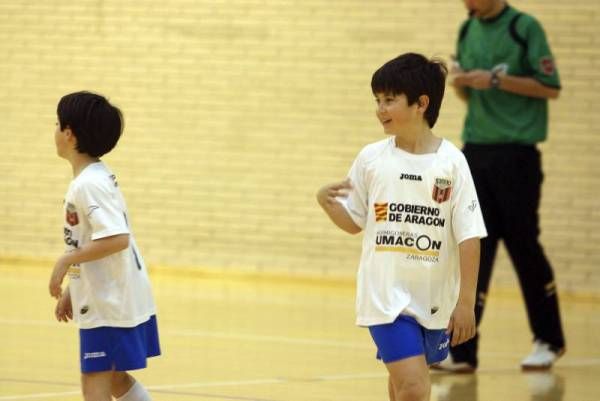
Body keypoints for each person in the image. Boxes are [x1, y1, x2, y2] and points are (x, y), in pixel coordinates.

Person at [317, 53, 487, 401]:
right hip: (384, 299)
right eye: (377, 100)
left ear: (421, 103)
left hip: (434, 301)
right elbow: (354, 223)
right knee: (414, 386)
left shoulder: (453, 162)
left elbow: (469, 235)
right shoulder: (371, 159)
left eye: (389, 99)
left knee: (401, 388)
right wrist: (326, 202)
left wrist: (466, 303)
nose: (380, 108)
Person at [434, 0, 566, 372]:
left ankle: (549, 340)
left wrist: (495, 79)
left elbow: (550, 87)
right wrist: (461, 84)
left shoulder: (523, 28)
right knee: (473, 245)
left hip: (517, 153)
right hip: (475, 149)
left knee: (524, 245)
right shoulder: (467, 28)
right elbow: (467, 94)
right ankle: (461, 350)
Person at [49, 91, 160, 401]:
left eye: (57, 124)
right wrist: (75, 287)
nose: (54, 130)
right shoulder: (92, 178)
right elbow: (87, 242)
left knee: (95, 376)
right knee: (113, 376)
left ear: (69, 134)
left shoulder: (89, 184)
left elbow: (117, 238)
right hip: (106, 294)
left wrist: (62, 263)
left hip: (111, 299)